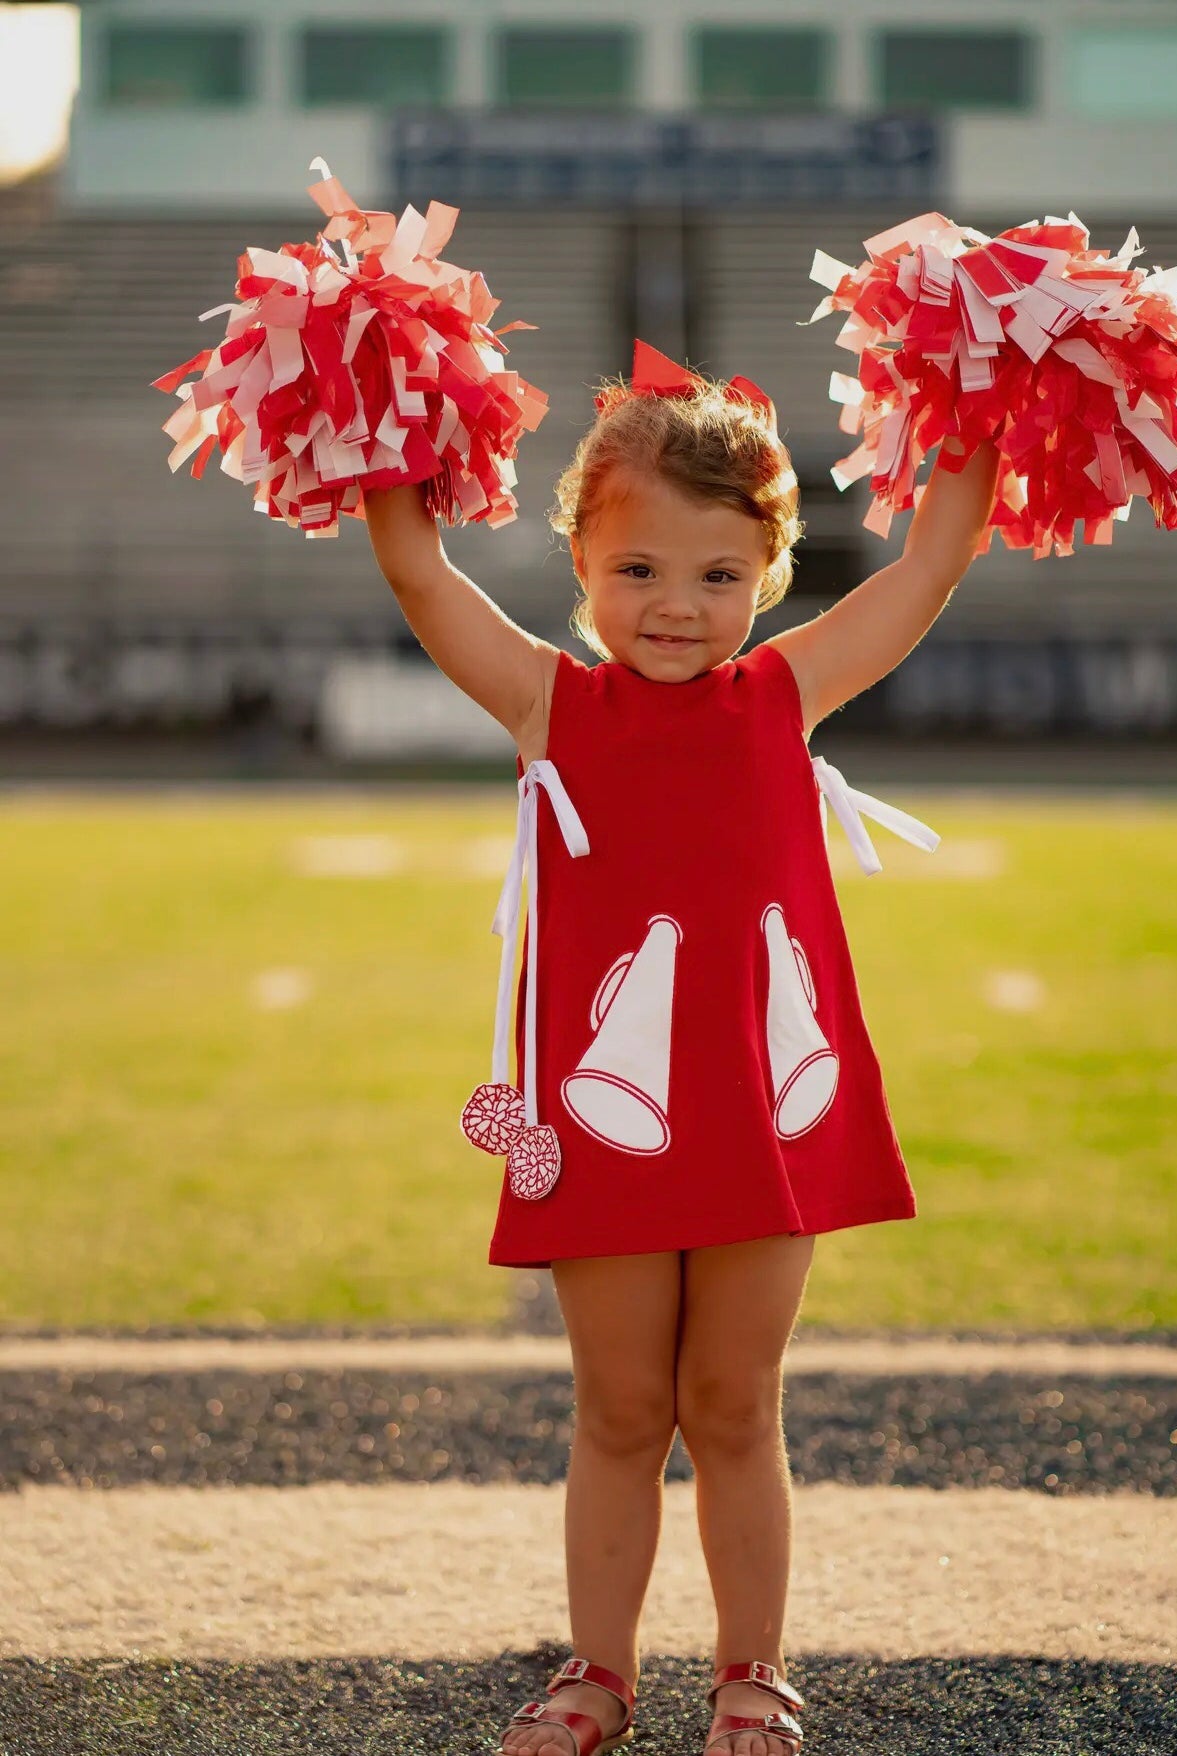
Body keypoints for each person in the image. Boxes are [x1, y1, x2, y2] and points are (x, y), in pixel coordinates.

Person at [364, 341, 1001, 1756]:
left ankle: (750, 1671)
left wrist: (979, 399)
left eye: (718, 575)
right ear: (580, 562)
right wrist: (378, 409)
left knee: (731, 1400)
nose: (674, 605)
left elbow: (928, 565)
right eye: (637, 569)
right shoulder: (547, 701)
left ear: (768, 577)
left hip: (767, 1103)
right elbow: (417, 572)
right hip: (602, 1116)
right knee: (619, 1404)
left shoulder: (783, 690)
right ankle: (597, 1671)